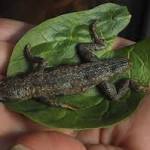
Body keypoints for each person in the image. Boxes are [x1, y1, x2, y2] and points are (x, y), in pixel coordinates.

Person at [0, 18, 150, 150]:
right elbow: (43, 62)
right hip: (94, 68)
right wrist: (31, 57)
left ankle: (130, 82)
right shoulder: (35, 75)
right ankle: (100, 44)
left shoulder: (41, 96)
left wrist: (66, 106)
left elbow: (55, 103)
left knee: (115, 96)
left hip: (99, 75)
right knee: (82, 48)